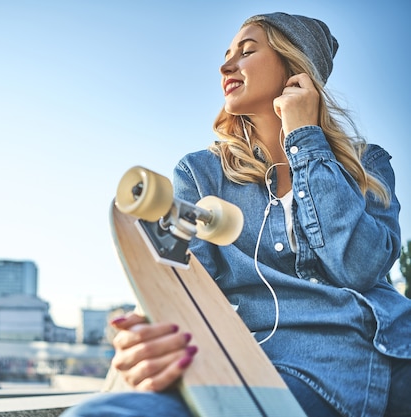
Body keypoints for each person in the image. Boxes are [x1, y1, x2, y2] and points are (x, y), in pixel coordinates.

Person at [61, 11, 411, 417]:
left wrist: (304, 139)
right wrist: (151, 332)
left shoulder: (366, 165)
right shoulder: (200, 173)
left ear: (296, 68)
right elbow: (184, 282)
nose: (226, 66)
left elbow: (358, 266)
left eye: (247, 51)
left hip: (365, 358)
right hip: (251, 367)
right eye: (227, 55)